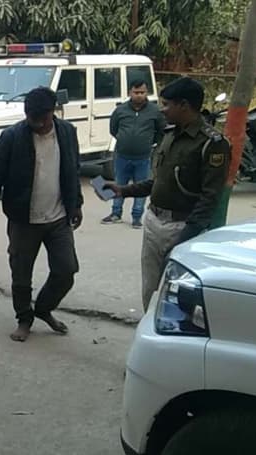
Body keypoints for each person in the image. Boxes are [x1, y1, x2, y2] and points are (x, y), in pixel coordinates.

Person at [104, 77, 231, 310]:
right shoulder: (170, 135)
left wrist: (186, 238)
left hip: (182, 227)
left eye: (166, 105)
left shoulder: (211, 143)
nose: (162, 110)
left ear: (183, 105)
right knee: (150, 289)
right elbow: (160, 181)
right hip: (154, 222)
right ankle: (149, 327)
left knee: (176, 294)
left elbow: (210, 197)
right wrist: (123, 190)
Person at [0, 87, 83, 342]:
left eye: (42, 119)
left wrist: (76, 204)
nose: (36, 124)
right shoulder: (12, 136)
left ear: (53, 112)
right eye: (31, 118)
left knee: (66, 270)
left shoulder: (67, 132)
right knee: (21, 274)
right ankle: (24, 318)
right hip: (23, 220)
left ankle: (44, 308)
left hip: (58, 218)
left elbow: (73, 169)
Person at [102, 79, 166, 228]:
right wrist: (124, 139)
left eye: (142, 92)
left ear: (147, 93)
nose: (139, 95)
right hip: (122, 156)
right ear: (129, 92)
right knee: (119, 184)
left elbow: (161, 131)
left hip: (143, 157)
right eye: (136, 92)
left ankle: (137, 217)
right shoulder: (120, 110)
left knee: (141, 187)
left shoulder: (155, 111)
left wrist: (150, 143)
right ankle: (116, 213)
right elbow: (113, 129)